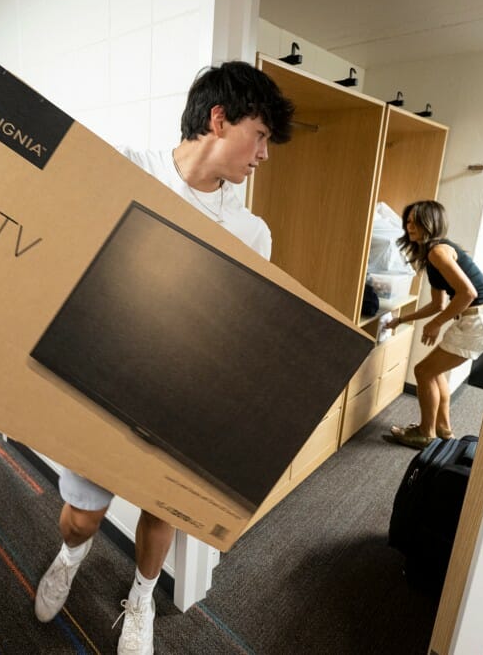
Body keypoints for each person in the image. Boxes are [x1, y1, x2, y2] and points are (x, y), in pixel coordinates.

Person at [33, 61, 294, 654]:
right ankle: (70, 558)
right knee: (82, 514)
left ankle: (142, 598)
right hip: (102, 375)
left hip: (183, 394)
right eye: (260, 135)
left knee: (164, 507)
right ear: (218, 118)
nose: (264, 154)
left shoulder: (252, 232)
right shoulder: (124, 168)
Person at [385, 200, 483, 449]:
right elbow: (438, 304)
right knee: (433, 371)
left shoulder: (437, 251)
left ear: (431, 222)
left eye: (416, 220)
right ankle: (443, 430)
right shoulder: (433, 256)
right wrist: (401, 319)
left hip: (478, 319)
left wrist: (436, 325)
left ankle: (424, 433)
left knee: (423, 371)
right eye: (407, 221)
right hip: (479, 319)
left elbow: (467, 293)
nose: (410, 226)